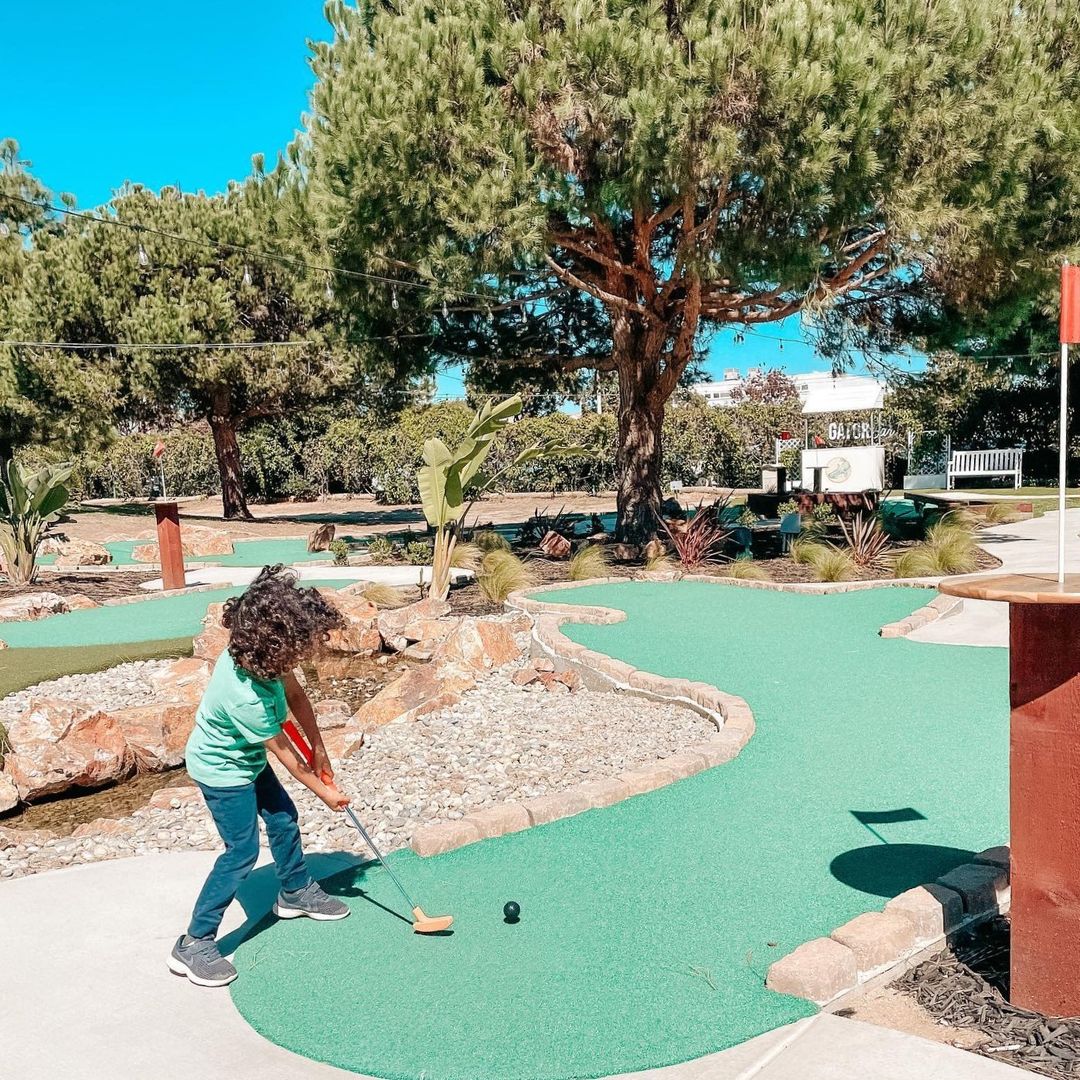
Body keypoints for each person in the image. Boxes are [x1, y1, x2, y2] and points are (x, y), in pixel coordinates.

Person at [167, 565, 352, 988]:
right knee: (242, 852)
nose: (301, 657)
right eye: (298, 649)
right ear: (274, 645)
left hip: (246, 759)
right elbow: (285, 753)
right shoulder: (242, 694)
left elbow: (297, 697)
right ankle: (193, 943)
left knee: (284, 816)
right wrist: (326, 792)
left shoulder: (267, 658)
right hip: (221, 771)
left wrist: (321, 751)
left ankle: (294, 890)